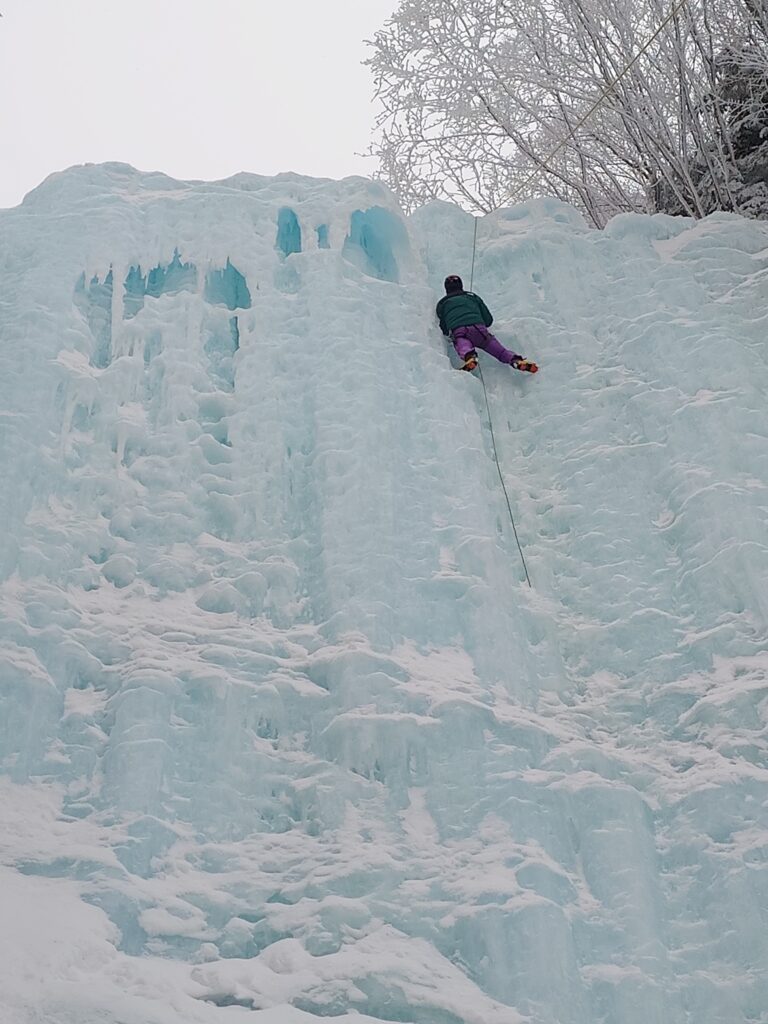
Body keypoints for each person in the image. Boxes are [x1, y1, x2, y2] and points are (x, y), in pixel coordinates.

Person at [436, 275, 538, 373]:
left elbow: (443, 327)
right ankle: (515, 360)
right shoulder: (473, 297)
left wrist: (448, 333)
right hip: (479, 329)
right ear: (461, 286)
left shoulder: (442, 303)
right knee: (500, 352)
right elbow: (488, 320)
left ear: (446, 289)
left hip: (459, 331)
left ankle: (470, 356)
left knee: (462, 344)